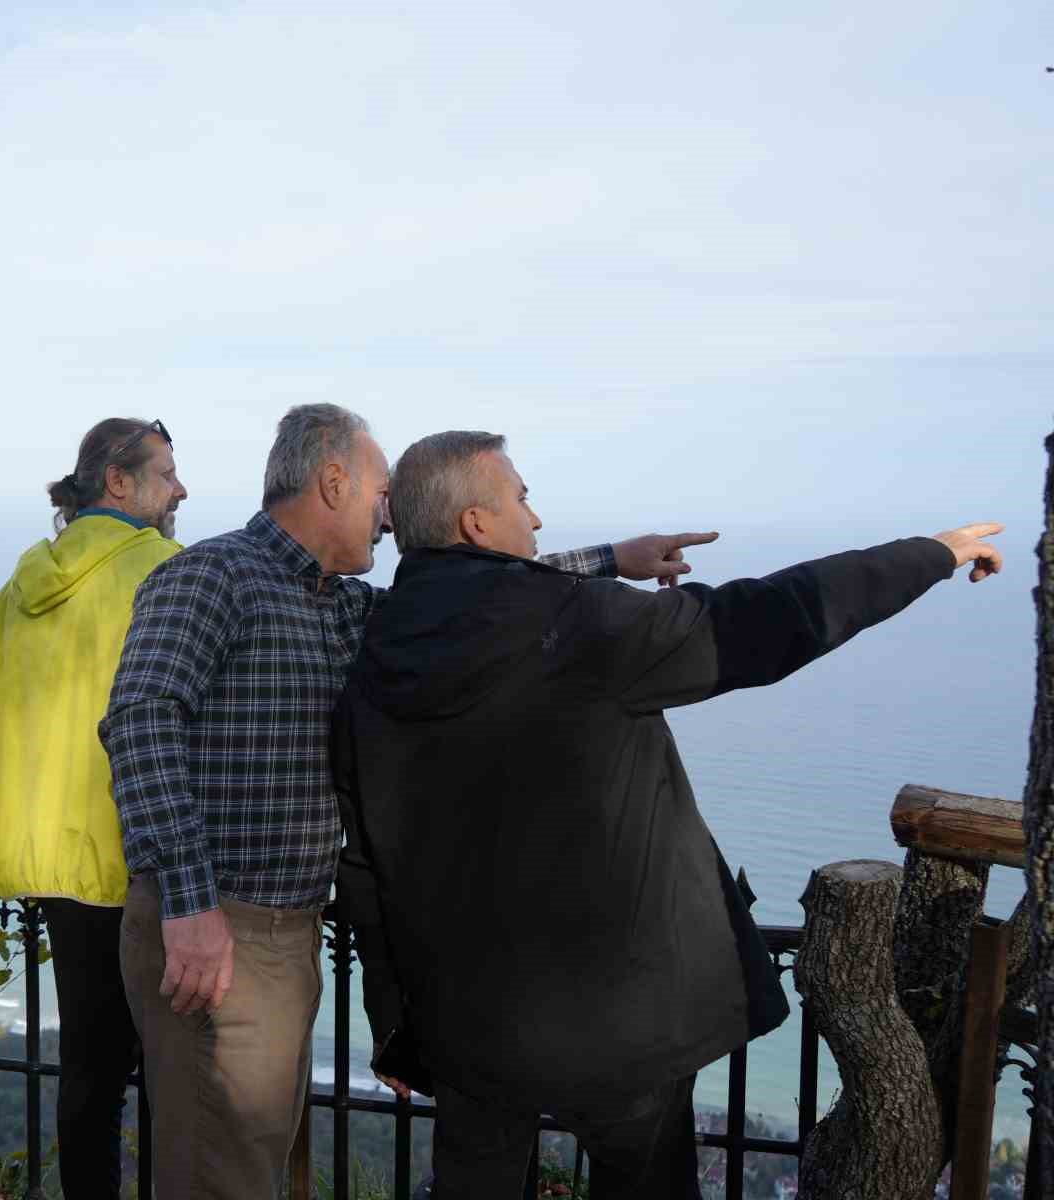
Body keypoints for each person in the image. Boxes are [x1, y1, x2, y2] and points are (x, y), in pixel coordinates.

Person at [330, 430, 1004, 1199]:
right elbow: (766, 619)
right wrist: (932, 553)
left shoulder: (370, 659)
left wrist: (393, 1024)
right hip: (617, 1024)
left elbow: (366, 868)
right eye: (521, 497)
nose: (538, 518)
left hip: (466, 1028)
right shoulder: (577, 624)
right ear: (478, 524)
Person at [99, 404, 718, 1200]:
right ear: (332, 482)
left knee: (255, 1165)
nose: (390, 517)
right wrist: (188, 907)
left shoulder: (344, 607)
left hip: (284, 934)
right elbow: (141, 720)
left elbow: (474, 601)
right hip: (215, 930)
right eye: (381, 492)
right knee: (217, 1176)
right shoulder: (210, 577)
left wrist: (611, 560)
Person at [0, 417, 187, 1199]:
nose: (181, 490)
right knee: (173, 1071)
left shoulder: (16, 590)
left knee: (88, 1070)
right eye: (167, 474)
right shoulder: (169, 573)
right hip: (138, 858)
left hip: (50, 862)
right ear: (119, 484)